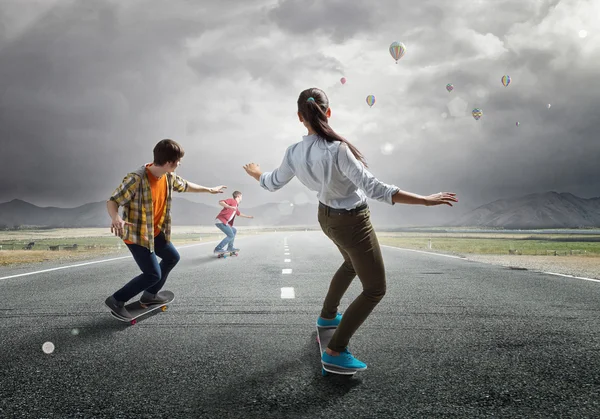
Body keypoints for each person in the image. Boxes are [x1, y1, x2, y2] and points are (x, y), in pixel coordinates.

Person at [243, 87, 457, 371]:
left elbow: (271, 182)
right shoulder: (337, 149)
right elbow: (374, 188)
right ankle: (335, 350)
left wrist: (257, 173)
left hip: (326, 218)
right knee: (375, 289)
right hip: (353, 222)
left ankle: (328, 317)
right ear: (328, 112)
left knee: (350, 263)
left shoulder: (293, 152)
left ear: (299, 117)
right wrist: (425, 201)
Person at [106, 139, 227, 318]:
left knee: (172, 257)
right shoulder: (136, 178)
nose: (180, 164)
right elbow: (113, 201)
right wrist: (116, 218)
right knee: (152, 274)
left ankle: (150, 295)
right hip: (137, 235)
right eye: (178, 160)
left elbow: (186, 186)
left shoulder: (168, 176)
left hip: (155, 232)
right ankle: (117, 299)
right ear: (169, 162)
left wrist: (209, 190)